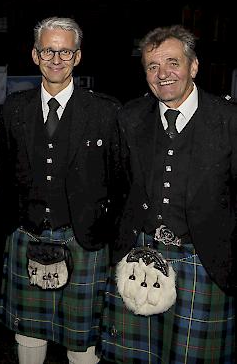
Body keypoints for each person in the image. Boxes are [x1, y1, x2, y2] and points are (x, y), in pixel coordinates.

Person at [100, 25, 236, 363]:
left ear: (193, 66)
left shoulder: (229, 120)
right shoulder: (130, 117)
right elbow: (117, 187)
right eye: (152, 66)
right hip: (139, 257)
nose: (163, 74)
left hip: (205, 262)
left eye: (173, 63)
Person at [0, 17, 124, 364]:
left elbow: (119, 180)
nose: (56, 59)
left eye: (65, 51)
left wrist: (107, 232)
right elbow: (5, 175)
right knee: (28, 334)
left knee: (83, 343)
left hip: (84, 239)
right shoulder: (13, 109)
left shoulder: (105, 111)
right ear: (35, 55)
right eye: (48, 50)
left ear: (78, 56)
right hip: (28, 234)